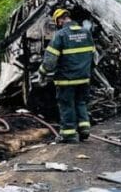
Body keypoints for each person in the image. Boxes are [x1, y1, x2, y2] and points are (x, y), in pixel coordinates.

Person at [39, 8, 95, 143]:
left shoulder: (60, 35)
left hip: (66, 79)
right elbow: (93, 56)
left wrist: (42, 72)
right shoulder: (86, 33)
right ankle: (84, 130)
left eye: (56, 22)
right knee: (81, 103)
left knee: (67, 105)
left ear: (59, 20)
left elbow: (50, 61)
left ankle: (68, 135)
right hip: (84, 78)